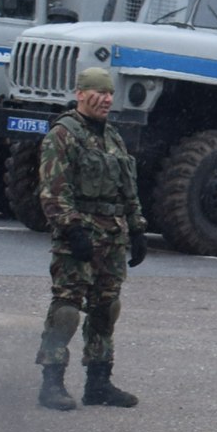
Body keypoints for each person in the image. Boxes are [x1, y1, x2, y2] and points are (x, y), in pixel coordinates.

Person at [35, 66, 146, 410]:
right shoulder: (63, 135)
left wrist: (137, 227)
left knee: (106, 309)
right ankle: (51, 383)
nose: (107, 99)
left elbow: (128, 188)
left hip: (112, 237)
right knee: (67, 309)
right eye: (99, 92)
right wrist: (72, 229)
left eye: (111, 93)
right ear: (81, 94)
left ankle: (98, 382)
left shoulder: (113, 137)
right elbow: (53, 191)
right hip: (79, 235)